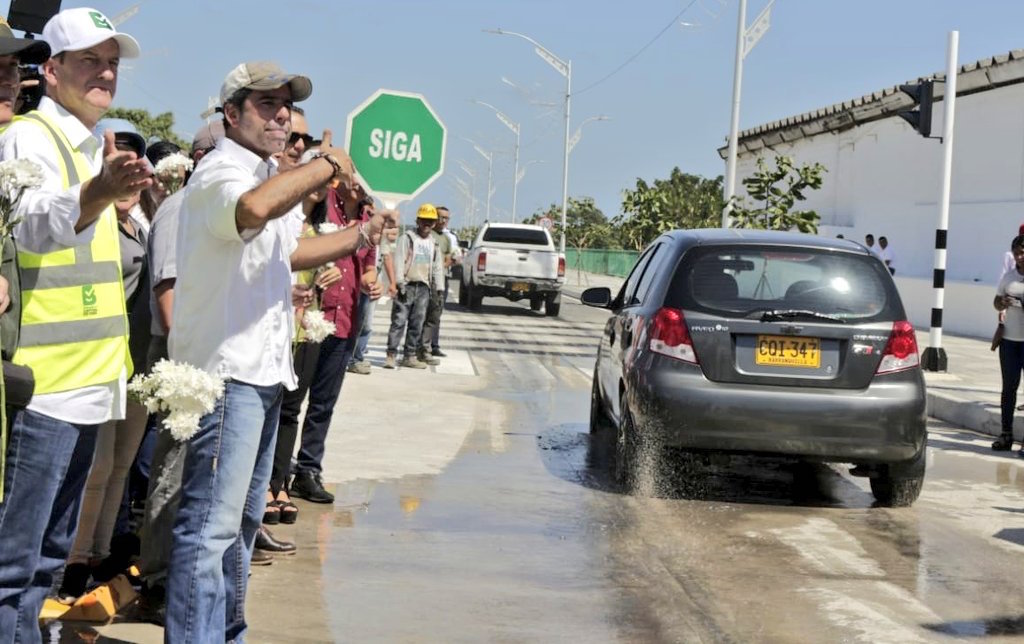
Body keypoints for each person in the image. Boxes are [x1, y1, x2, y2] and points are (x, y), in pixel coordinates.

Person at [165, 61, 393, 641]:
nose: (282, 115)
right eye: (267, 105)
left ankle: (227, 631)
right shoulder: (220, 172)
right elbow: (251, 211)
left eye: (286, 105)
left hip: (264, 375)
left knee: (241, 525)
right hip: (226, 378)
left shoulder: (265, 177)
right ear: (231, 114)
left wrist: (364, 235)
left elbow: (292, 253)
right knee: (210, 529)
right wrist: (323, 165)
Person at [0, 8, 150, 636]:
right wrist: (95, 193)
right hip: (45, 388)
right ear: (53, 70)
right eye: (90, 60)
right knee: (16, 566)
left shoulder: (94, 143)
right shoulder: (29, 138)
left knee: (48, 563)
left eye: (112, 62)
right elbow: (34, 224)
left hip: (90, 388)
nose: (106, 72)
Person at [59, 119, 152, 600]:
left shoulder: (142, 224)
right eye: (120, 164)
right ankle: (74, 561)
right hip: (99, 357)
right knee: (96, 468)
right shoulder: (93, 221)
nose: (129, 177)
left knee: (120, 464)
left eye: (136, 167)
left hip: (137, 359)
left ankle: (97, 554)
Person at [290, 189, 379, 505]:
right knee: (291, 401)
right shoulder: (322, 205)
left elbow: (369, 265)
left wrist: (372, 280)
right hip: (311, 320)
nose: (358, 182)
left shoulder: (369, 219)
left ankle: (308, 470)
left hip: (345, 323)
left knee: (323, 403)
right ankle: (276, 472)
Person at [384, 203, 444, 369]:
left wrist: (439, 289)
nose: (427, 225)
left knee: (417, 324)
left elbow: (438, 267)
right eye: (424, 220)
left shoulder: (434, 243)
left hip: (423, 287)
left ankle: (409, 356)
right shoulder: (408, 238)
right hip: (407, 285)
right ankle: (391, 355)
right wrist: (399, 282)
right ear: (417, 220)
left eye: (430, 222)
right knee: (398, 321)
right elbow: (399, 261)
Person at [993, 233, 1024, 457]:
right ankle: (1006, 434)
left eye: (1022, 252)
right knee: (1008, 390)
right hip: (1009, 342)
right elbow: (996, 301)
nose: (1019, 257)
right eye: (1016, 253)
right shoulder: (1009, 277)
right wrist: (1002, 302)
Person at [420, 205, 454, 362]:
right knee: (420, 314)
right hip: (425, 278)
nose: (443, 221)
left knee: (436, 313)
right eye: (440, 217)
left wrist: (443, 267)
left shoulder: (446, 239)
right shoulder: (427, 235)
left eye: (446, 218)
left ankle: (434, 345)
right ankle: (418, 345)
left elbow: (448, 259)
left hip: (441, 280)